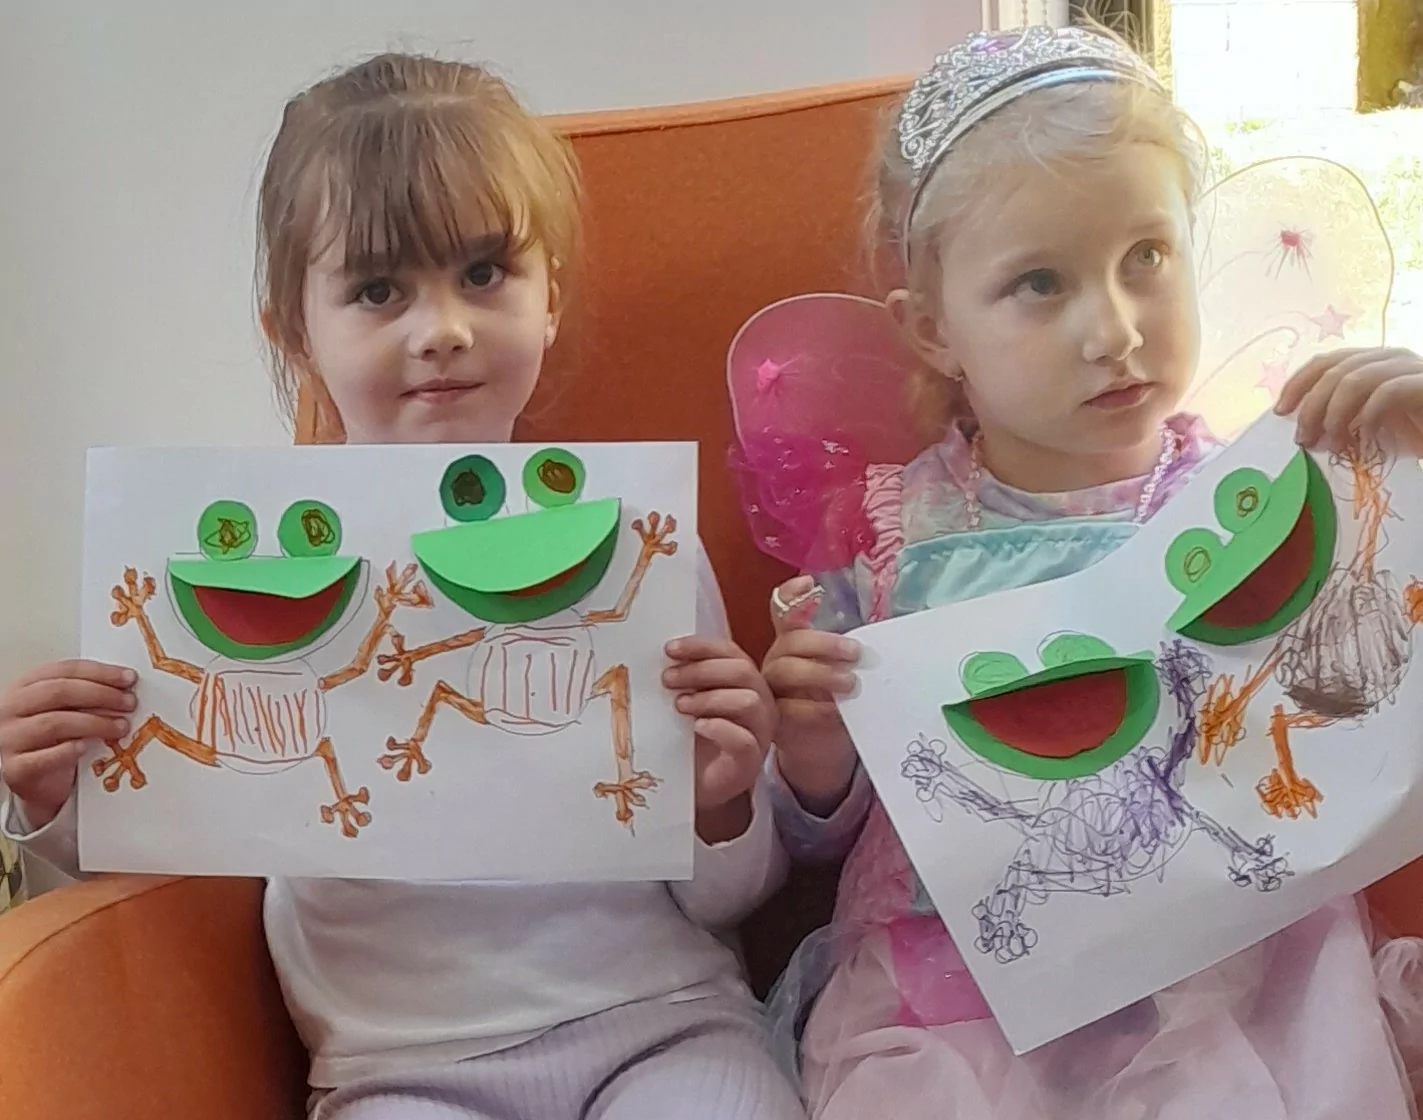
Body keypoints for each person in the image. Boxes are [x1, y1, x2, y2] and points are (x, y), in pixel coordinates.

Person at [0, 53, 805, 1120]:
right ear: (295, 331)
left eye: (484, 273)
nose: (442, 329)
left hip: (662, 1024)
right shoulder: (244, 572)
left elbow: (732, 896)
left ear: (549, 295)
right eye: (378, 290)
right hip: (401, 1073)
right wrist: (50, 799)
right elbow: (181, 816)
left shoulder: (643, 554)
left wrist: (721, 799)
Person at [744, 24, 1423, 1119]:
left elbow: (1372, 685)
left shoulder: (1263, 495)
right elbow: (817, 824)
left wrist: (1406, 468)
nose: (1112, 329)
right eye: (1039, 284)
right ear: (933, 332)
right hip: (955, 987)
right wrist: (815, 749)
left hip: (1230, 966)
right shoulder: (886, 529)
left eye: (1145, 258)